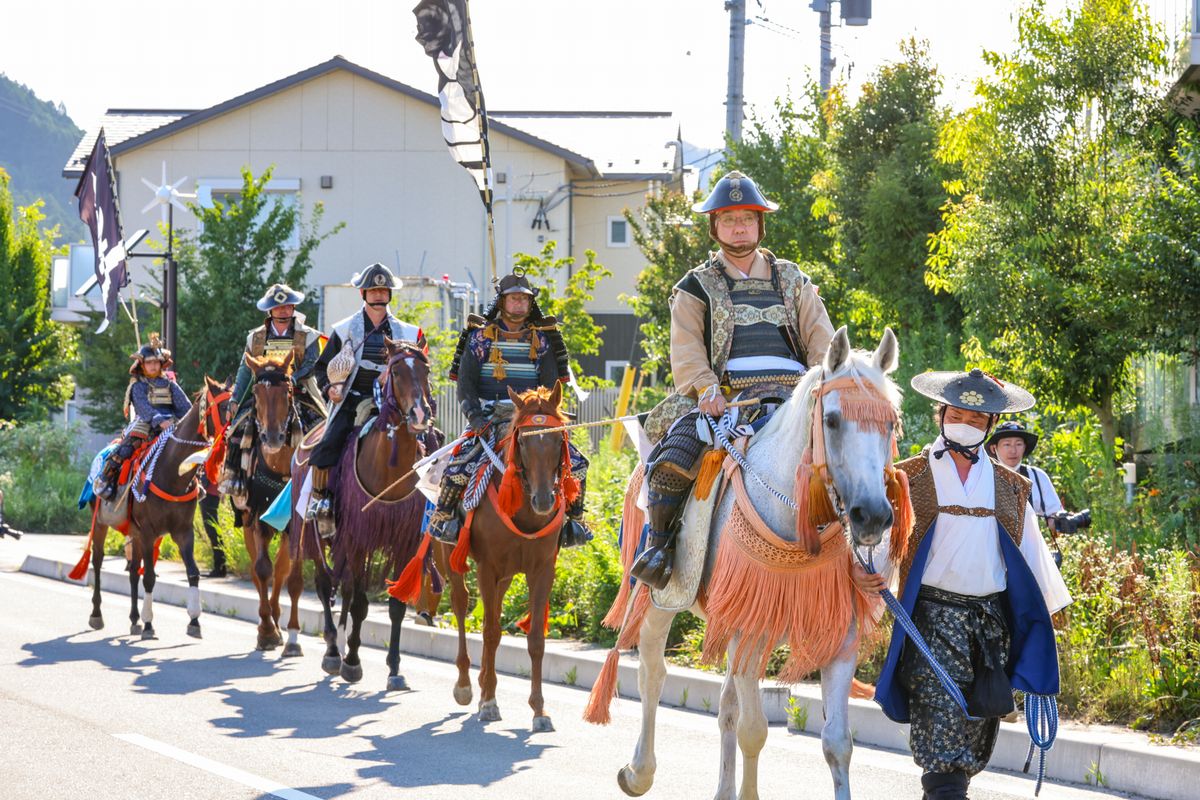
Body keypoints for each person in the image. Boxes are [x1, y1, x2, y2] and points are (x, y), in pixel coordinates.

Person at [869, 368, 1072, 800]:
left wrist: (1052, 611)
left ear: (991, 427)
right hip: (930, 621)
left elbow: (1030, 553)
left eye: (979, 419)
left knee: (976, 735)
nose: (968, 422)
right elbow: (882, 543)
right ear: (941, 413)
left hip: (989, 627)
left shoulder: (1010, 486)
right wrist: (867, 571)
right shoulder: (908, 477)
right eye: (959, 412)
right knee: (940, 738)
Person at [629, 170, 835, 590]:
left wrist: (826, 382)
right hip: (727, 398)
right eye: (728, 218)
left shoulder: (794, 279)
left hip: (795, 396)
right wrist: (705, 389)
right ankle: (661, 550)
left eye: (747, 218)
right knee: (673, 457)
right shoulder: (695, 285)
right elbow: (686, 348)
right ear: (714, 226)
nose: (738, 227)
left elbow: (821, 338)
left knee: (856, 448)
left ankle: (866, 549)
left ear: (760, 224)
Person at [427, 269, 591, 548]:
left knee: (578, 464)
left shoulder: (541, 340)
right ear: (502, 302)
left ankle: (574, 522)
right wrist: (475, 417)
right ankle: (444, 520)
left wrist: (544, 415)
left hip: (531, 418)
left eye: (524, 299)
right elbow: (465, 385)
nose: (519, 304)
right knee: (458, 467)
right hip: (489, 417)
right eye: (513, 299)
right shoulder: (479, 338)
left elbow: (551, 386)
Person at [305, 263, 425, 534]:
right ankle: (322, 499)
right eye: (374, 290)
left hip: (397, 403)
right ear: (363, 293)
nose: (379, 295)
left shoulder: (409, 333)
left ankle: (433, 504)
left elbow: (420, 367)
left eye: (384, 290)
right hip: (352, 398)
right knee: (327, 444)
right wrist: (330, 388)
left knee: (431, 441)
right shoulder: (343, 329)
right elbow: (321, 367)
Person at [220, 283, 325, 501]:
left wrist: (291, 378)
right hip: (264, 393)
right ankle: (234, 475)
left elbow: (312, 364)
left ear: (293, 308)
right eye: (278, 307)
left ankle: (323, 483)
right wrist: (235, 399)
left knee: (323, 427)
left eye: (288, 306)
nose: (284, 311)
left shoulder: (309, 335)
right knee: (236, 428)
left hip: (299, 390)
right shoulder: (256, 337)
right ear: (270, 310)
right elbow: (244, 370)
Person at [95, 334, 192, 501]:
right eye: (149, 362)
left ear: (161, 364)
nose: (153, 366)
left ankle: (196, 482)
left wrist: (186, 423)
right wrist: (160, 421)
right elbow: (143, 407)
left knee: (190, 447)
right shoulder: (137, 386)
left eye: (156, 362)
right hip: (145, 423)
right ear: (142, 365)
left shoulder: (170, 384)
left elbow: (185, 407)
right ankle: (105, 480)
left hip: (172, 423)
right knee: (124, 449)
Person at [986, 421, 1063, 535]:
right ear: (994, 448)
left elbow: (1053, 515)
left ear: (1025, 447)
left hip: (1033, 548)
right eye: (1007, 444)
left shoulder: (1037, 477)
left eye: (1018, 444)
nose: (1013, 450)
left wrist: (1062, 522)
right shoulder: (984, 476)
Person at [199, 475, 227, 578]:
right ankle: (221, 566)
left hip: (209, 492)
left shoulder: (211, 458)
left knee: (212, 529)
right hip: (211, 491)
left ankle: (219, 567)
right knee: (213, 529)